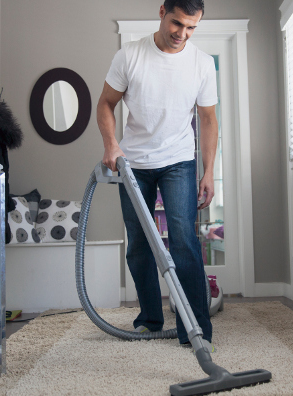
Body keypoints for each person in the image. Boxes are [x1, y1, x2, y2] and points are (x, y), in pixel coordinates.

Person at [96, 0, 219, 351]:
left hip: (179, 160)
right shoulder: (130, 56)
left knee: (184, 242)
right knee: (140, 245)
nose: (182, 33)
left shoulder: (201, 64)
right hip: (132, 163)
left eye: (192, 27)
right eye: (177, 23)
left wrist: (208, 171)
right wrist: (111, 146)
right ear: (162, 11)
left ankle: (195, 328)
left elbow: (208, 119)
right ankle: (150, 320)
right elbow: (105, 103)